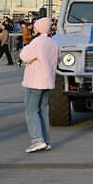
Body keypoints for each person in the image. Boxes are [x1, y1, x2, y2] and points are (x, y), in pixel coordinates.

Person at [19, 17, 59, 153]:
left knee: (31, 110)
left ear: (39, 28)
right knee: (43, 111)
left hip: (35, 81)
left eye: (35, 26)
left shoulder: (37, 42)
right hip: (48, 81)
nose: (33, 28)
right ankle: (46, 140)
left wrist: (27, 47)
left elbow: (24, 56)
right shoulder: (53, 43)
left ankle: (37, 140)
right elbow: (58, 58)